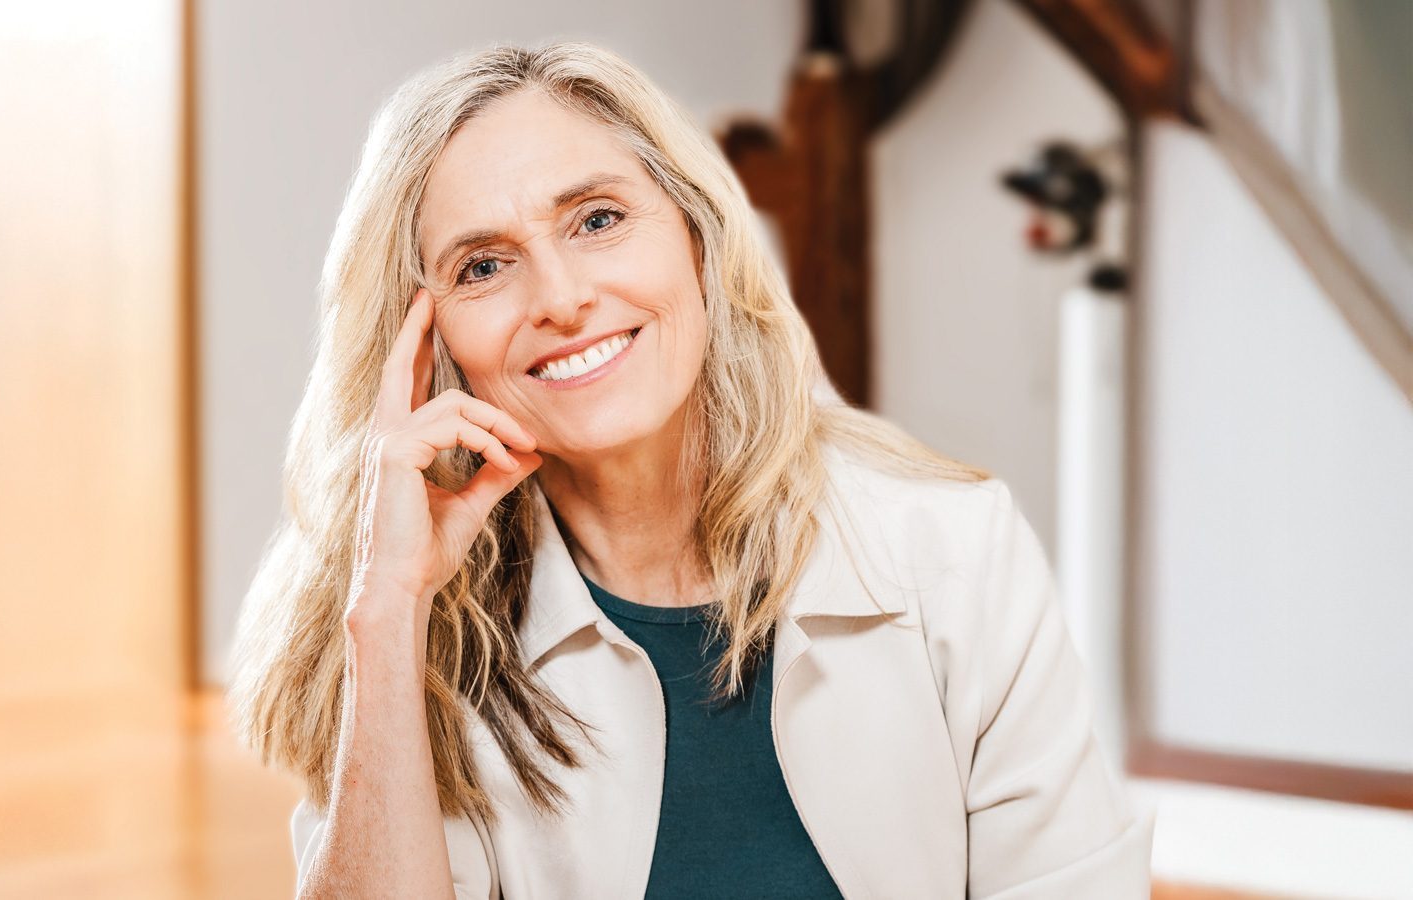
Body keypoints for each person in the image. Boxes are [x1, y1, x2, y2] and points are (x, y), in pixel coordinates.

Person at [225, 40, 1155, 900]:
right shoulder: (419, 632)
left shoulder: (953, 548)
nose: (562, 297)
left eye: (598, 219)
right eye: (482, 267)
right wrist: (386, 610)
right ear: (428, 347)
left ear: (698, 239)